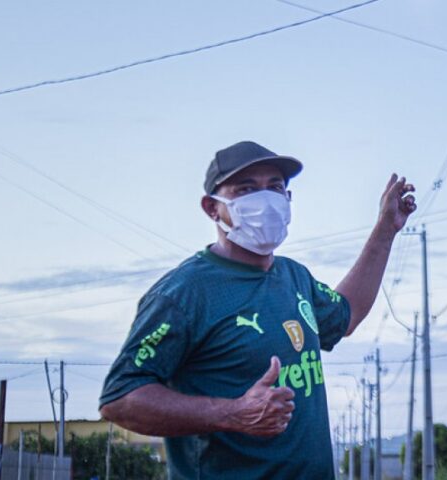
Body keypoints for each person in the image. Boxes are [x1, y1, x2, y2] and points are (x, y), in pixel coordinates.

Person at [98, 140, 416, 478]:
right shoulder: (184, 294)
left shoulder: (294, 278)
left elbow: (346, 314)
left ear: (288, 200)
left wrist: (386, 229)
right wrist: (232, 412)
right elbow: (120, 399)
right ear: (211, 207)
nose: (265, 200)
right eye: (246, 189)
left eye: (275, 187)